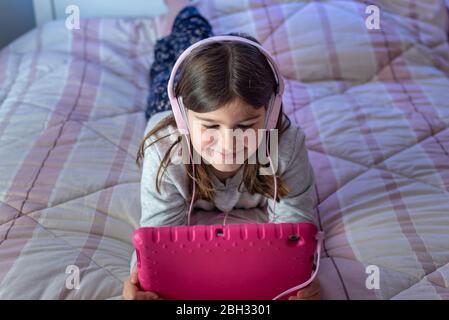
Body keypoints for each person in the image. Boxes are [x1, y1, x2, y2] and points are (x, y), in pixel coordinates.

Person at [123, 2, 320, 300]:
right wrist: (141, 280)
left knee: (204, 60)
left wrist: (301, 281)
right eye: (211, 127)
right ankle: (183, 8)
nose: (228, 145)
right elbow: (157, 239)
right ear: (183, 119)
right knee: (173, 53)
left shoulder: (285, 146)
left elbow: (295, 229)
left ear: (269, 115)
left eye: (244, 126)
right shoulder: (167, 151)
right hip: (161, 109)